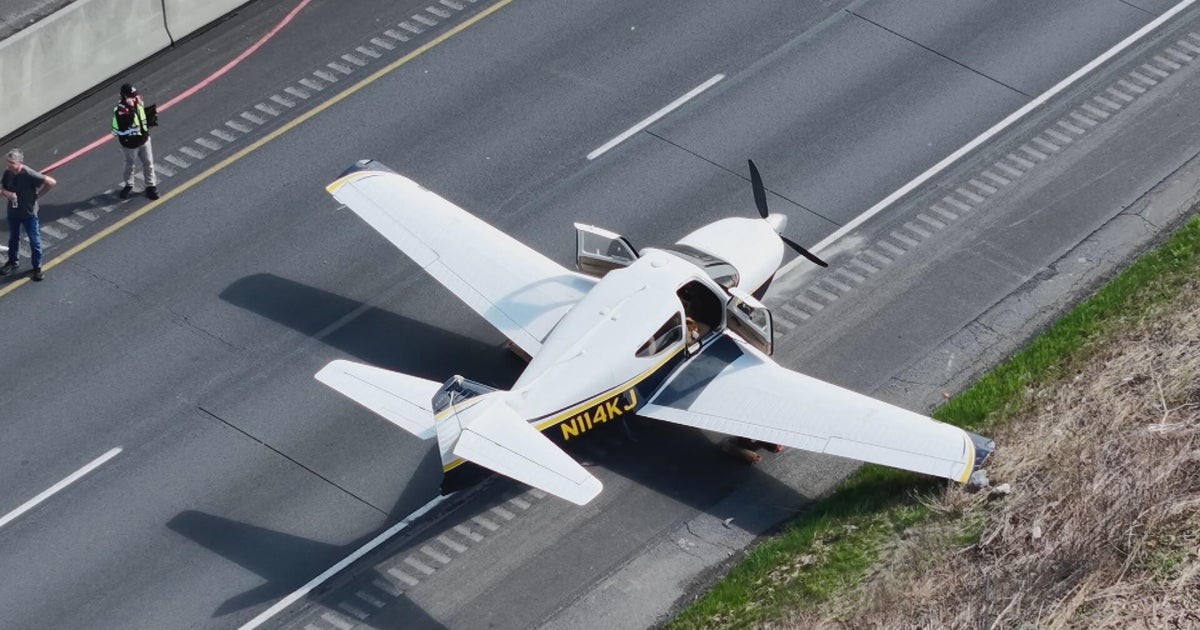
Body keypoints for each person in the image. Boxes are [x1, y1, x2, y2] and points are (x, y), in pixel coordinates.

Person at [1, 149, 56, 281]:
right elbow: (2, 187)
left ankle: (37, 267)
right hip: (13, 212)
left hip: (29, 213)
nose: (9, 165)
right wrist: (7, 194)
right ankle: (13, 261)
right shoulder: (8, 173)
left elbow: (51, 182)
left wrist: (38, 196)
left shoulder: (28, 173)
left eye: (12, 163)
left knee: (34, 241)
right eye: (8, 162)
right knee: (13, 238)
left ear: (20, 162)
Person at [111, 82, 159, 200]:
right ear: (125, 97)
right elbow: (126, 124)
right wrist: (131, 107)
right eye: (132, 96)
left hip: (144, 140)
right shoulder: (120, 110)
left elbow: (141, 119)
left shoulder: (139, 104)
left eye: (135, 95)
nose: (136, 97)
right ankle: (129, 185)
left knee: (148, 163)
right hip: (130, 144)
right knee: (129, 165)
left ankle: (151, 186)